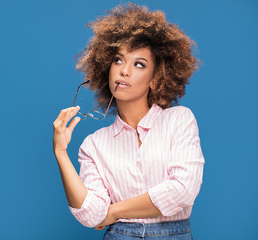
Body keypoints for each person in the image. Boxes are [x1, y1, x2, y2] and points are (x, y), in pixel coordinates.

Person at [53, 3, 204, 239]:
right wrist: (61, 152)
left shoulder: (179, 120)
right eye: (118, 60)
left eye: (139, 64)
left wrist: (113, 211)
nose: (124, 71)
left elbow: (182, 190)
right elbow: (91, 215)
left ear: (155, 79)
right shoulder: (94, 145)